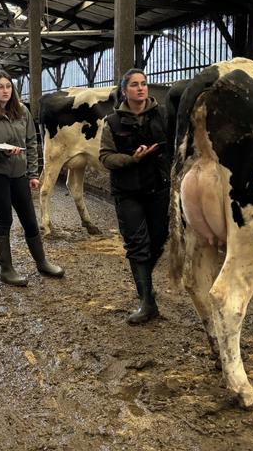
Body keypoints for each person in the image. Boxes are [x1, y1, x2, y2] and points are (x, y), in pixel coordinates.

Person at [0, 69, 64, 286]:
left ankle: (42, 262)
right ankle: (6, 270)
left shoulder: (22, 111)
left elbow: (32, 143)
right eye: (0, 87)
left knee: (30, 221)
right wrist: (2, 152)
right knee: (5, 220)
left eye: (8, 87)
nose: (5, 91)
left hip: (19, 175)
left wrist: (33, 173)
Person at [98, 68, 170, 325]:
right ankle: (147, 302)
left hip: (158, 189)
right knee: (137, 245)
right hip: (128, 192)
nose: (141, 88)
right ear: (125, 90)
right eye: (135, 85)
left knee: (159, 240)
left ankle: (145, 282)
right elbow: (105, 157)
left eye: (144, 84)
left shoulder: (163, 116)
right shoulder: (112, 122)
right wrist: (132, 158)